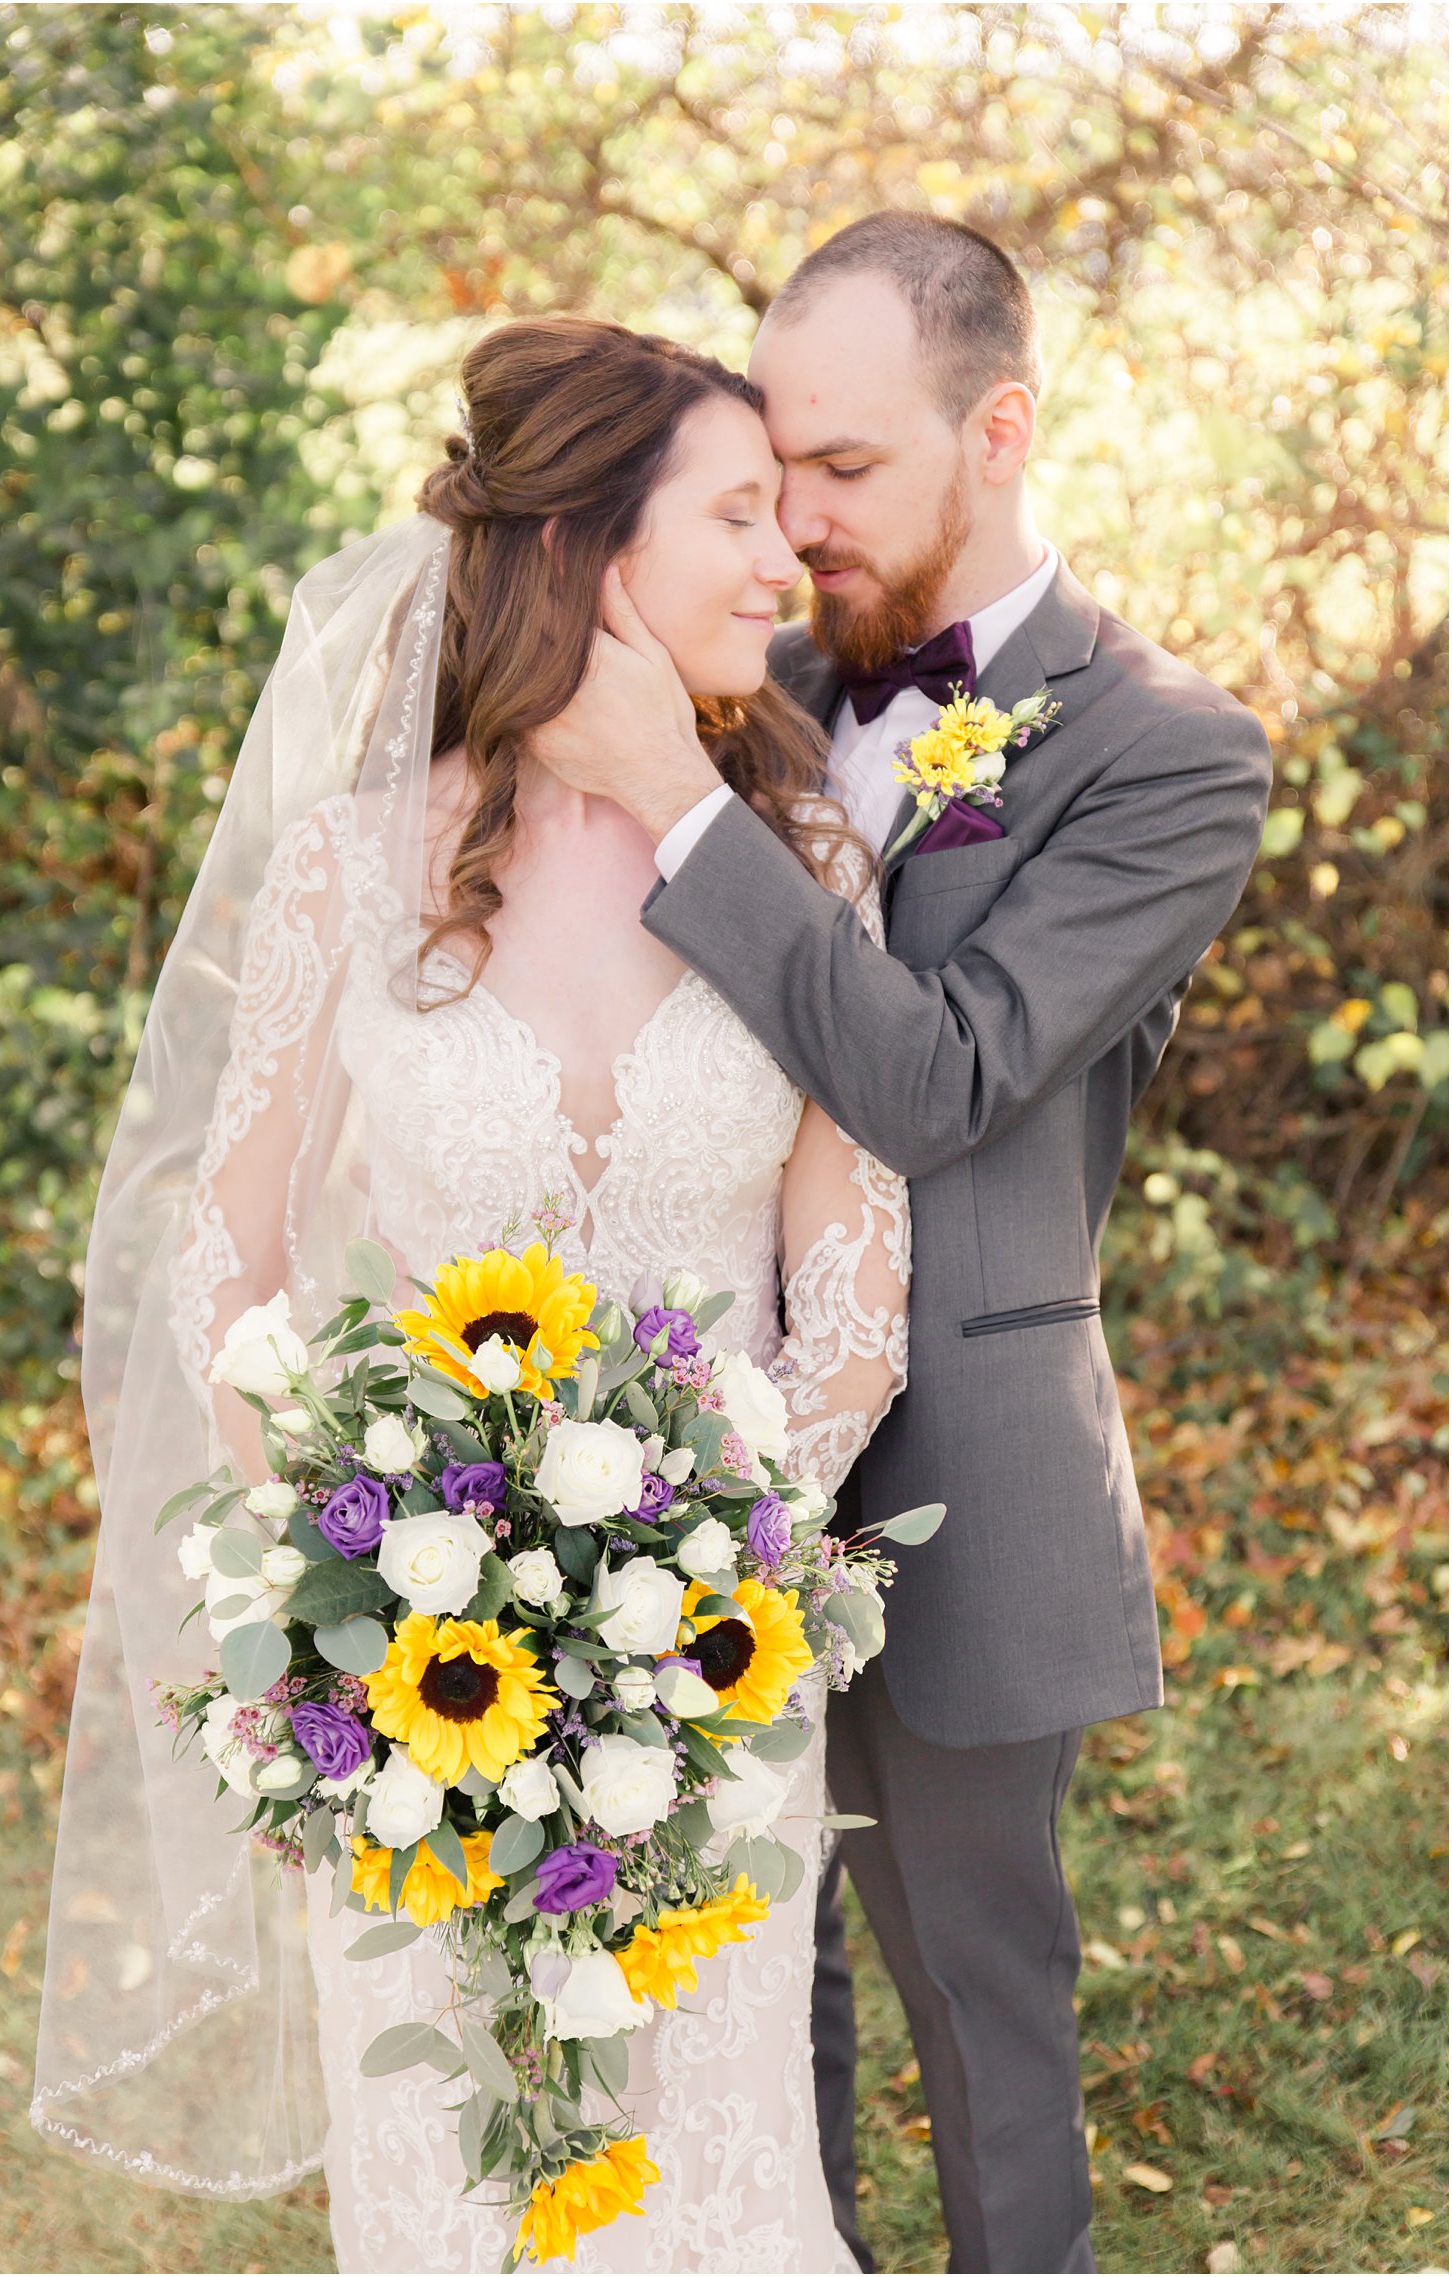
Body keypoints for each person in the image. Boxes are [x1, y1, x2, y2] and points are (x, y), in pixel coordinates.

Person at [31, 317, 910, 2275]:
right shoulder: (358, 869)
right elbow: (228, 1247)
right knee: (466, 2183)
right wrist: (326, 1568)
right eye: (741, 514)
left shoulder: (807, 864)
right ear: (597, 546)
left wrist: (723, 1557)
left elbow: (853, 1286)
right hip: (413, 1677)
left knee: (716, 2167)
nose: (789, 564)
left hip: (724, 1669)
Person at [530, 214, 1275, 2274]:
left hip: (967, 1458)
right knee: (747, 1982)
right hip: (679, 1459)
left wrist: (679, 814)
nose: (799, 519)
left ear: (1000, 431)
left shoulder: (1167, 752)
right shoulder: (733, 672)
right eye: (774, 470)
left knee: (975, 1988)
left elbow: (945, 1079)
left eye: (845, 468)